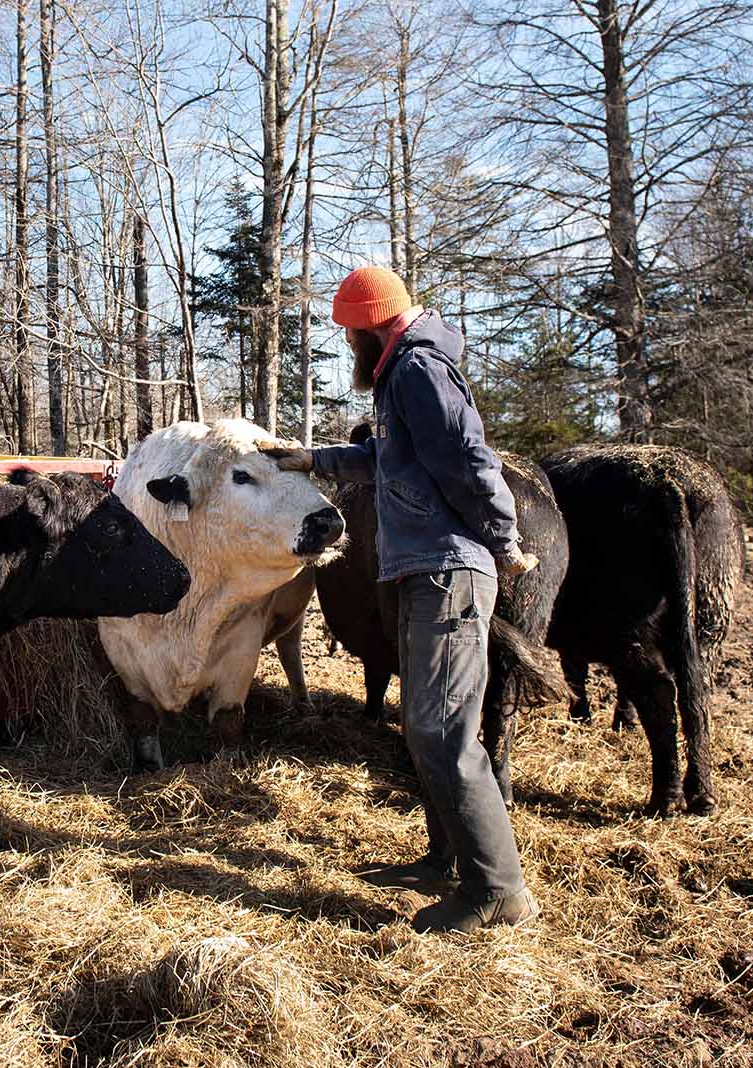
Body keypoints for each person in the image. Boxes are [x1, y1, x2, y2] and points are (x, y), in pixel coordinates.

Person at [264, 265, 539, 934]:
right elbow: (392, 459)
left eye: (351, 334)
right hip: (424, 568)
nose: (348, 346)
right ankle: (445, 862)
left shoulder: (416, 370)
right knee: (426, 725)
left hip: (448, 569)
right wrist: (313, 460)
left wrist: (504, 539)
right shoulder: (402, 373)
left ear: (371, 327)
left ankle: (498, 891)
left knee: (440, 729)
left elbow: (471, 461)